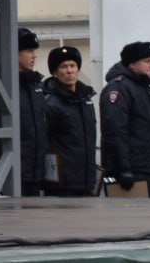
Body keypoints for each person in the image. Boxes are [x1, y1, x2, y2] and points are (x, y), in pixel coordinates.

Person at [99, 40, 150, 197]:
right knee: (133, 220)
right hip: (133, 171)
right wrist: (123, 169)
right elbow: (115, 131)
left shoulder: (149, 93)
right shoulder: (119, 88)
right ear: (132, 64)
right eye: (146, 61)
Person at [41, 45, 97, 197]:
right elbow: (43, 142)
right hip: (62, 185)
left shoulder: (86, 100)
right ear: (54, 73)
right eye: (63, 67)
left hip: (86, 182)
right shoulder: (50, 103)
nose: (69, 71)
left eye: (73, 65)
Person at [17, 27, 48, 196]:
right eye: (29, 51)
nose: (34, 56)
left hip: (36, 171)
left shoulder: (36, 86)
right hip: (15, 171)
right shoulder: (4, 86)